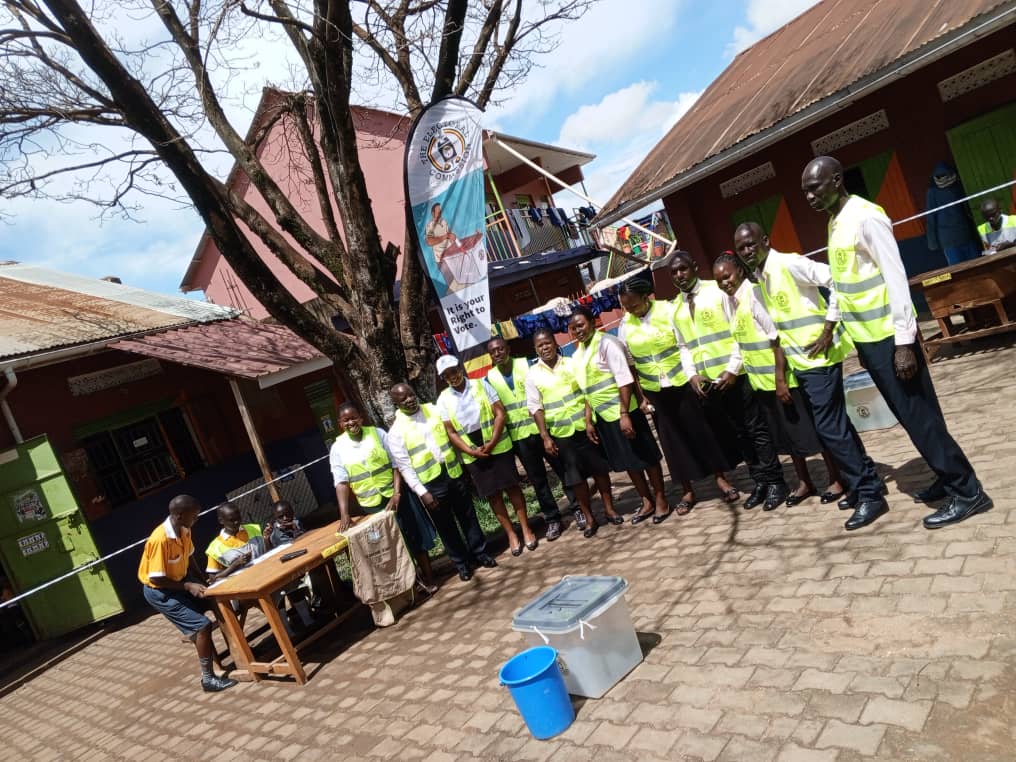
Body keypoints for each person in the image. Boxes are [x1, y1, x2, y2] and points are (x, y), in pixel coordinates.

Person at [801, 155, 992, 529]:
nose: (809, 196)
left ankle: (968, 492)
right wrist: (831, 325)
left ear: (837, 180)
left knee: (919, 417)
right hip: (868, 341)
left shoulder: (866, 216)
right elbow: (842, 281)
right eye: (805, 190)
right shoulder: (835, 221)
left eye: (814, 187)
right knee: (915, 416)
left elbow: (896, 278)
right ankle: (946, 474)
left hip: (891, 338)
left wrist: (905, 342)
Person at [733, 221, 878, 518]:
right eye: (741, 248)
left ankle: (869, 493)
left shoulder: (788, 263)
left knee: (830, 429)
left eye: (751, 244)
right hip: (803, 364)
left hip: (821, 360)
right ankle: (859, 483)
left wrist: (829, 325)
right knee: (838, 426)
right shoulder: (762, 278)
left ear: (765, 240)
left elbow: (835, 279)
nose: (747, 251)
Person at [713, 253, 845, 507]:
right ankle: (804, 482)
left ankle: (836, 477)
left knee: (810, 432)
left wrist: (781, 379)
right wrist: (732, 369)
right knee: (786, 438)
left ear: (739, 271)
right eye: (719, 280)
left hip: (781, 380)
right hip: (760, 383)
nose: (724, 283)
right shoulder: (729, 302)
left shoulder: (755, 295)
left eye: (727, 276)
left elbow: (776, 339)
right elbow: (741, 343)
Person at [670, 251, 788, 510]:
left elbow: (738, 330)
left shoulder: (718, 291)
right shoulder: (676, 307)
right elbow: (683, 346)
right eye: (674, 272)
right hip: (710, 384)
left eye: (683, 269)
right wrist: (692, 374)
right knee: (739, 434)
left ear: (695, 267)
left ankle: (776, 481)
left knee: (756, 429)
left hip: (736, 376)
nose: (679, 275)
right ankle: (759, 481)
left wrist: (734, 368)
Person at [618, 278, 742, 513]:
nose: (631, 311)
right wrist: (641, 396)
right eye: (626, 307)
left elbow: (683, 345)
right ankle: (687, 490)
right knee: (671, 441)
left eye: (633, 305)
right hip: (654, 390)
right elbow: (631, 365)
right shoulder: (625, 325)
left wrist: (692, 375)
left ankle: (720, 478)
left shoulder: (668, 310)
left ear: (646, 297)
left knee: (701, 431)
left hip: (681, 382)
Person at [567, 307, 672, 524]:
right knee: (627, 461)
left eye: (581, 325)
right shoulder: (578, 355)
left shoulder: (607, 343)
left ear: (593, 322)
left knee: (646, 456)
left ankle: (661, 499)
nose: (577, 330)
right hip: (604, 418)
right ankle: (646, 500)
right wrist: (588, 420)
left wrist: (624, 413)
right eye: (573, 328)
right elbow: (587, 390)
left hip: (625, 411)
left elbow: (624, 379)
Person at [387, 382, 496, 581]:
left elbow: (454, 435)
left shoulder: (434, 410)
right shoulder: (395, 432)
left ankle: (480, 553)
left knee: (468, 516)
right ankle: (462, 564)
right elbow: (404, 467)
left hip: (453, 471)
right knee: (446, 526)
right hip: (431, 484)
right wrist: (422, 492)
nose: (409, 399)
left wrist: (465, 467)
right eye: (403, 399)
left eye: (410, 394)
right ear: (396, 403)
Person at [436, 355, 537, 556]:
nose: (452, 377)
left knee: (512, 487)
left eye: (454, 371)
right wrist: (470, 450)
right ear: (444, 379)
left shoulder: (481, 384)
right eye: (447, 375)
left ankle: (526, 528)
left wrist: (491, 442)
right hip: (473, 453)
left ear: (460, 369)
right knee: (493, 495)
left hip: (497, 445)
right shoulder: (443, 399)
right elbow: (451, 432)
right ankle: (511, 534)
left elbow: (500, 413)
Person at [330, 402, 438, 589]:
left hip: (396, 498)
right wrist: (344, 513)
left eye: (354, 417)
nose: (351, 422)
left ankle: (429, 578)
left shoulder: (378, 434)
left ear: (361, 418)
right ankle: (410, 585)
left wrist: (397, 494)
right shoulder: (338, 448)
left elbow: (396, 464)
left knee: (414, 536)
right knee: (389, 546)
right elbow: (341, 482)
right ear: (340, 423)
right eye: (346, 420)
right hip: (372, 506)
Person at [137, 495, 237, 692]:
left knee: (216, 601)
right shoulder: (160, 539)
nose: (197, 519)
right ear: (180, 515)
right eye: (194, 515)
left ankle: (238, 653)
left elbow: (190, 557)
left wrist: (201, 580)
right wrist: (188, 587)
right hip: (161, 592)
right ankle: (208, 679)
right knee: (202, 626)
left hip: (180, 582)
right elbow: (157, 579)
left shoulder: (185, 529)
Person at [485, 337, 582, 539]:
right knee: (538, 480)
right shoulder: (489, 378)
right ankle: (553, 519)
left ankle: (578, 508)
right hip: (519, 437)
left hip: (542, 429)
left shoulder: (526, 364)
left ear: (508, 349)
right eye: (493, 352)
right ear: (490, 356)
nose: (498, 354)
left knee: (562, 469)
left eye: (501, 349)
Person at [525, 328, 614, 537]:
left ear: (555, 343)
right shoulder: (533, 375)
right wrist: (545, 437)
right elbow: (535, 407)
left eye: (547, 343)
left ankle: (609, 509)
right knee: (576, 479)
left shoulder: (573, 364)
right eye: (540, 345)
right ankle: (590, 518)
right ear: (535, 350)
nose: (544, 347)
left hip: (585, 428)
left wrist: (589, 420)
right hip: (561, 433)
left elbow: (586, 392)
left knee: (599, 470)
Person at [925, 162, 981, 265]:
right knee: (964, 268)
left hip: (964, 235)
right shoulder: (933, 192)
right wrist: (932, 243)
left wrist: (933, 244)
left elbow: (930, 218)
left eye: (943, 176)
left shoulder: (958, 186)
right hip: (952, 239)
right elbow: (931, 217)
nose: (942, 179)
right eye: (939, 177)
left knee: (974, 265)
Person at [205, 502, 265, 580]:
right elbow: (213, 578)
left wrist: (266, 538)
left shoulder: (254, 529)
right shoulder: (214, 548)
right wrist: (235, 565)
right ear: (221, 521)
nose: (236, 522)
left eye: (238, 518)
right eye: (231, 520)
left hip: (266, 573)